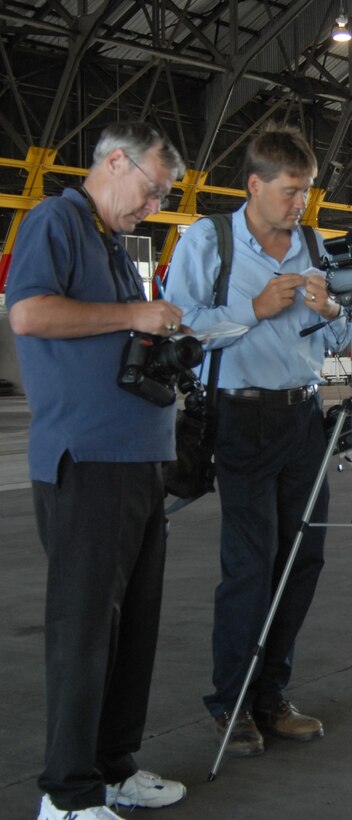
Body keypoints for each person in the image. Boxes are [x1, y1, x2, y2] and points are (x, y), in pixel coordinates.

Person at [6, 122, 188, 819]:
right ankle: (68, 793)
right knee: (84, 630)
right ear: (115, 162)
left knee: (132, 628)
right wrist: (134, 311)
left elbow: (115, 331)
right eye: (151, 189)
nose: (152, 205)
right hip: (86, 460)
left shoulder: (112, 241)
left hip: (137, 458)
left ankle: (113, 767)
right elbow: (28, 314)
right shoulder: (58, 219)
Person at [165, 123, 348, 757]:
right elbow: (178, 330)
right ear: (255, 185)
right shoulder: (208, 241)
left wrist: (332, 315)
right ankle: (233, 702)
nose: (300, 205)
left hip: (302, 418)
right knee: (249, 563)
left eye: (306, 192)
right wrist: (254, 310)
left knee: (303, 559)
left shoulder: (314, 245)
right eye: (291, 191)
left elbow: (339, 344)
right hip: (239, 420)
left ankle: (272, 694)